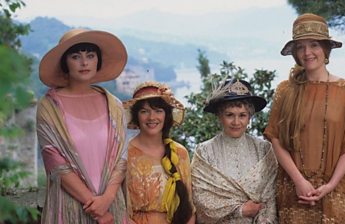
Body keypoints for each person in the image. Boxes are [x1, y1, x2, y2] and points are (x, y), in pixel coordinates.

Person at [264, 13, 345, 224]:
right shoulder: (285, 90)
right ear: (295, 53)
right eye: (301, 47)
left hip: (336, 190)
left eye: (314, 45)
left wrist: (330, 185)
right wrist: (299, 181)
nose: (307, 52)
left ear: (325, 49)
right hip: (296, 191)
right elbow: (275, 139)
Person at [36, 28, 128, 223]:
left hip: (111, 203)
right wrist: (97, 208)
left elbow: (122, 157)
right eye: (76, 56)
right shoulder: (49, 107)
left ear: (98, 61)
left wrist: (108, 199)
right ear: (65, 63)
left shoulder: (114, 105)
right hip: (69, 205)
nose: (84, 62)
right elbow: (55, 162)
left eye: (91, 55)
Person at [191, 79, 278, 224]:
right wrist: (241, 210)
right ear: (220, 116)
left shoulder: (264, 149)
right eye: (229, 115)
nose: (236, 122)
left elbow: (271, 195)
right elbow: (200, 197)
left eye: (242, 115)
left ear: (250, 117)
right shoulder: (204, 151)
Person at [123, 81, 195, 224]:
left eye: (158, 111)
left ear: (166, 115)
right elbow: (118, 206)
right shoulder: (124, 154)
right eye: (144, 111)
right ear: (136, 116)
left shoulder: (180, 153)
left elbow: (189, 207)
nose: (151, 117)